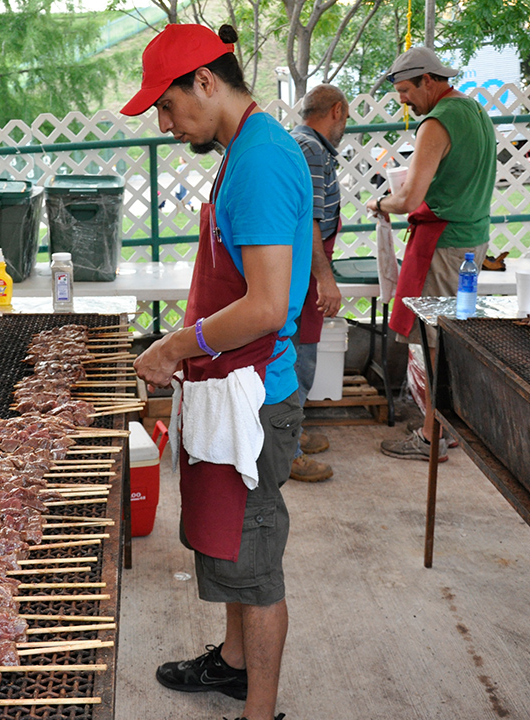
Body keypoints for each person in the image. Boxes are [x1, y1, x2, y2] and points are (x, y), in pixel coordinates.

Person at [123, 23, 312, 720]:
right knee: (231, 546)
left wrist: (176, 346)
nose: (167, 125)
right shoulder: (247, 149)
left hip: (254, 397)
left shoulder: (260, 160)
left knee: (255, 567)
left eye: (167, 107)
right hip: (231, 386)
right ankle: (233, 666)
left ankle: (259, 711)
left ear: (206, 80)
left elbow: (265, 306)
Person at [365, 47, 496, 463]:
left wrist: (381, 203)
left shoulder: (436, 122)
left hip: (445, 242)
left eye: (405, 89)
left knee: (437, 342)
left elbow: (409, 200)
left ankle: (430, 436)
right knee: (454, 337)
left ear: (428, 80)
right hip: (474, 238)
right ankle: (448, 427)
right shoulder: (474, 111)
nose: (403, 99)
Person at [288, 84, 348, 483]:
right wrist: (324, 278)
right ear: (337, 111)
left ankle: (291, 433)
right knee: (298, 362)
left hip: (305, 268)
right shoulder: (309, 149)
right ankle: (287, 450)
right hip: (303, 271)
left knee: (297, 357)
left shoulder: (307, 145)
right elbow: (306, 220)